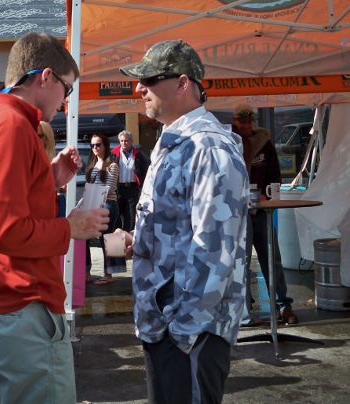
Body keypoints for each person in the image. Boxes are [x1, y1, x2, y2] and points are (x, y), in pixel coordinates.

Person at [0, 32, 109, 403]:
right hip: (19, 311)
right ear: (45, 77)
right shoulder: (14, 127)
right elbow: (4, 230)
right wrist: (70, 227)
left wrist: (47, 180)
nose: (65, 103)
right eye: (67, 89)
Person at [119, 39, 248, 403]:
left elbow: (215, 249)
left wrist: (184, 332)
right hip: (166, 326)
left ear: (182, 83)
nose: (139, 88)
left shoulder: (208, 148)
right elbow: (181, 227)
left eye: (149, 79)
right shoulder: (173, 141)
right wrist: (138, 239)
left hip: (188, 335)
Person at [232, 103, 298, 325]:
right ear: (235, 122)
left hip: (261, 211)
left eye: (250, 121)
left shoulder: (265, 144)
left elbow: (275, 176)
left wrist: (267, 197)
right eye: (243, 122)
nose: (247, 126)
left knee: (271, 258)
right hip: (236, 212)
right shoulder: (228, 143)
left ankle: (283, 305)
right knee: (239, 261)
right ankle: (243, 309)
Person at [85, 133, 126, 285]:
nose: (94, 148)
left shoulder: (112, 165)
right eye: (92, 145)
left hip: (108, 204)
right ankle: (86, 272)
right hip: (92, 204)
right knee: (84, 237)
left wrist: (93, 192)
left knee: (108, 238)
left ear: (105, 146)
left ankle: (109, 275)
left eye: (98, 144)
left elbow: (109, 189)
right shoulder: (93, 164)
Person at [111, 130, 150, 232]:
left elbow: (145, 171)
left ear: (131, 141)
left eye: (126, 141)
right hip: (118, 188)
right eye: (122, 141)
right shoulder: (113, 154)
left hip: (132, 189)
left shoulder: (139, 155)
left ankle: (129, 237)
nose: (124, 143)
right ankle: (117, 237)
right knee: (116, 215)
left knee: (131, 215)